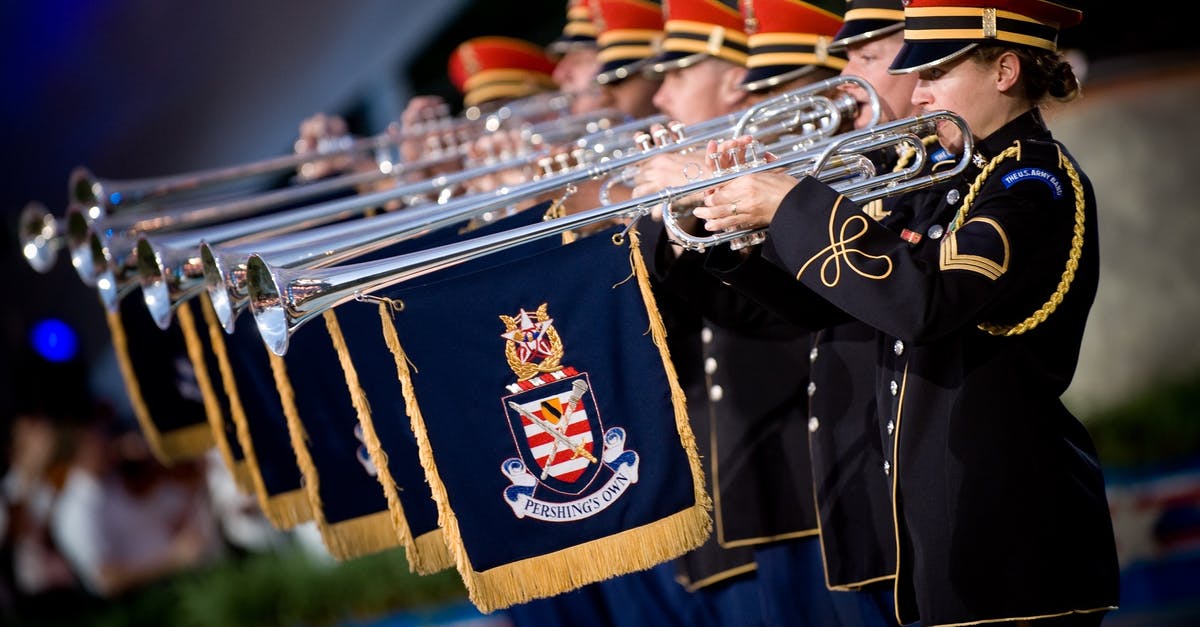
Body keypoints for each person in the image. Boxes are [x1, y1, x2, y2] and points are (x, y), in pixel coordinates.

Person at [692, 1, 1121, 625]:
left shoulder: (1033, 182)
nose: (916, 94)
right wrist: (735, 233)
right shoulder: (950, 178)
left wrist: (795, 205)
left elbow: (924, 302)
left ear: (1004, 70)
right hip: (942, 533)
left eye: (935, 74)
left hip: (1010, 533)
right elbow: (826, 305)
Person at [626, 1, 863, 625]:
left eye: (777, 90)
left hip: (818, 476)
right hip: (745, 486)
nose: (660, 97)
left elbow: (796, 318)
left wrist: (708, 196)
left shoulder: (830, 183)